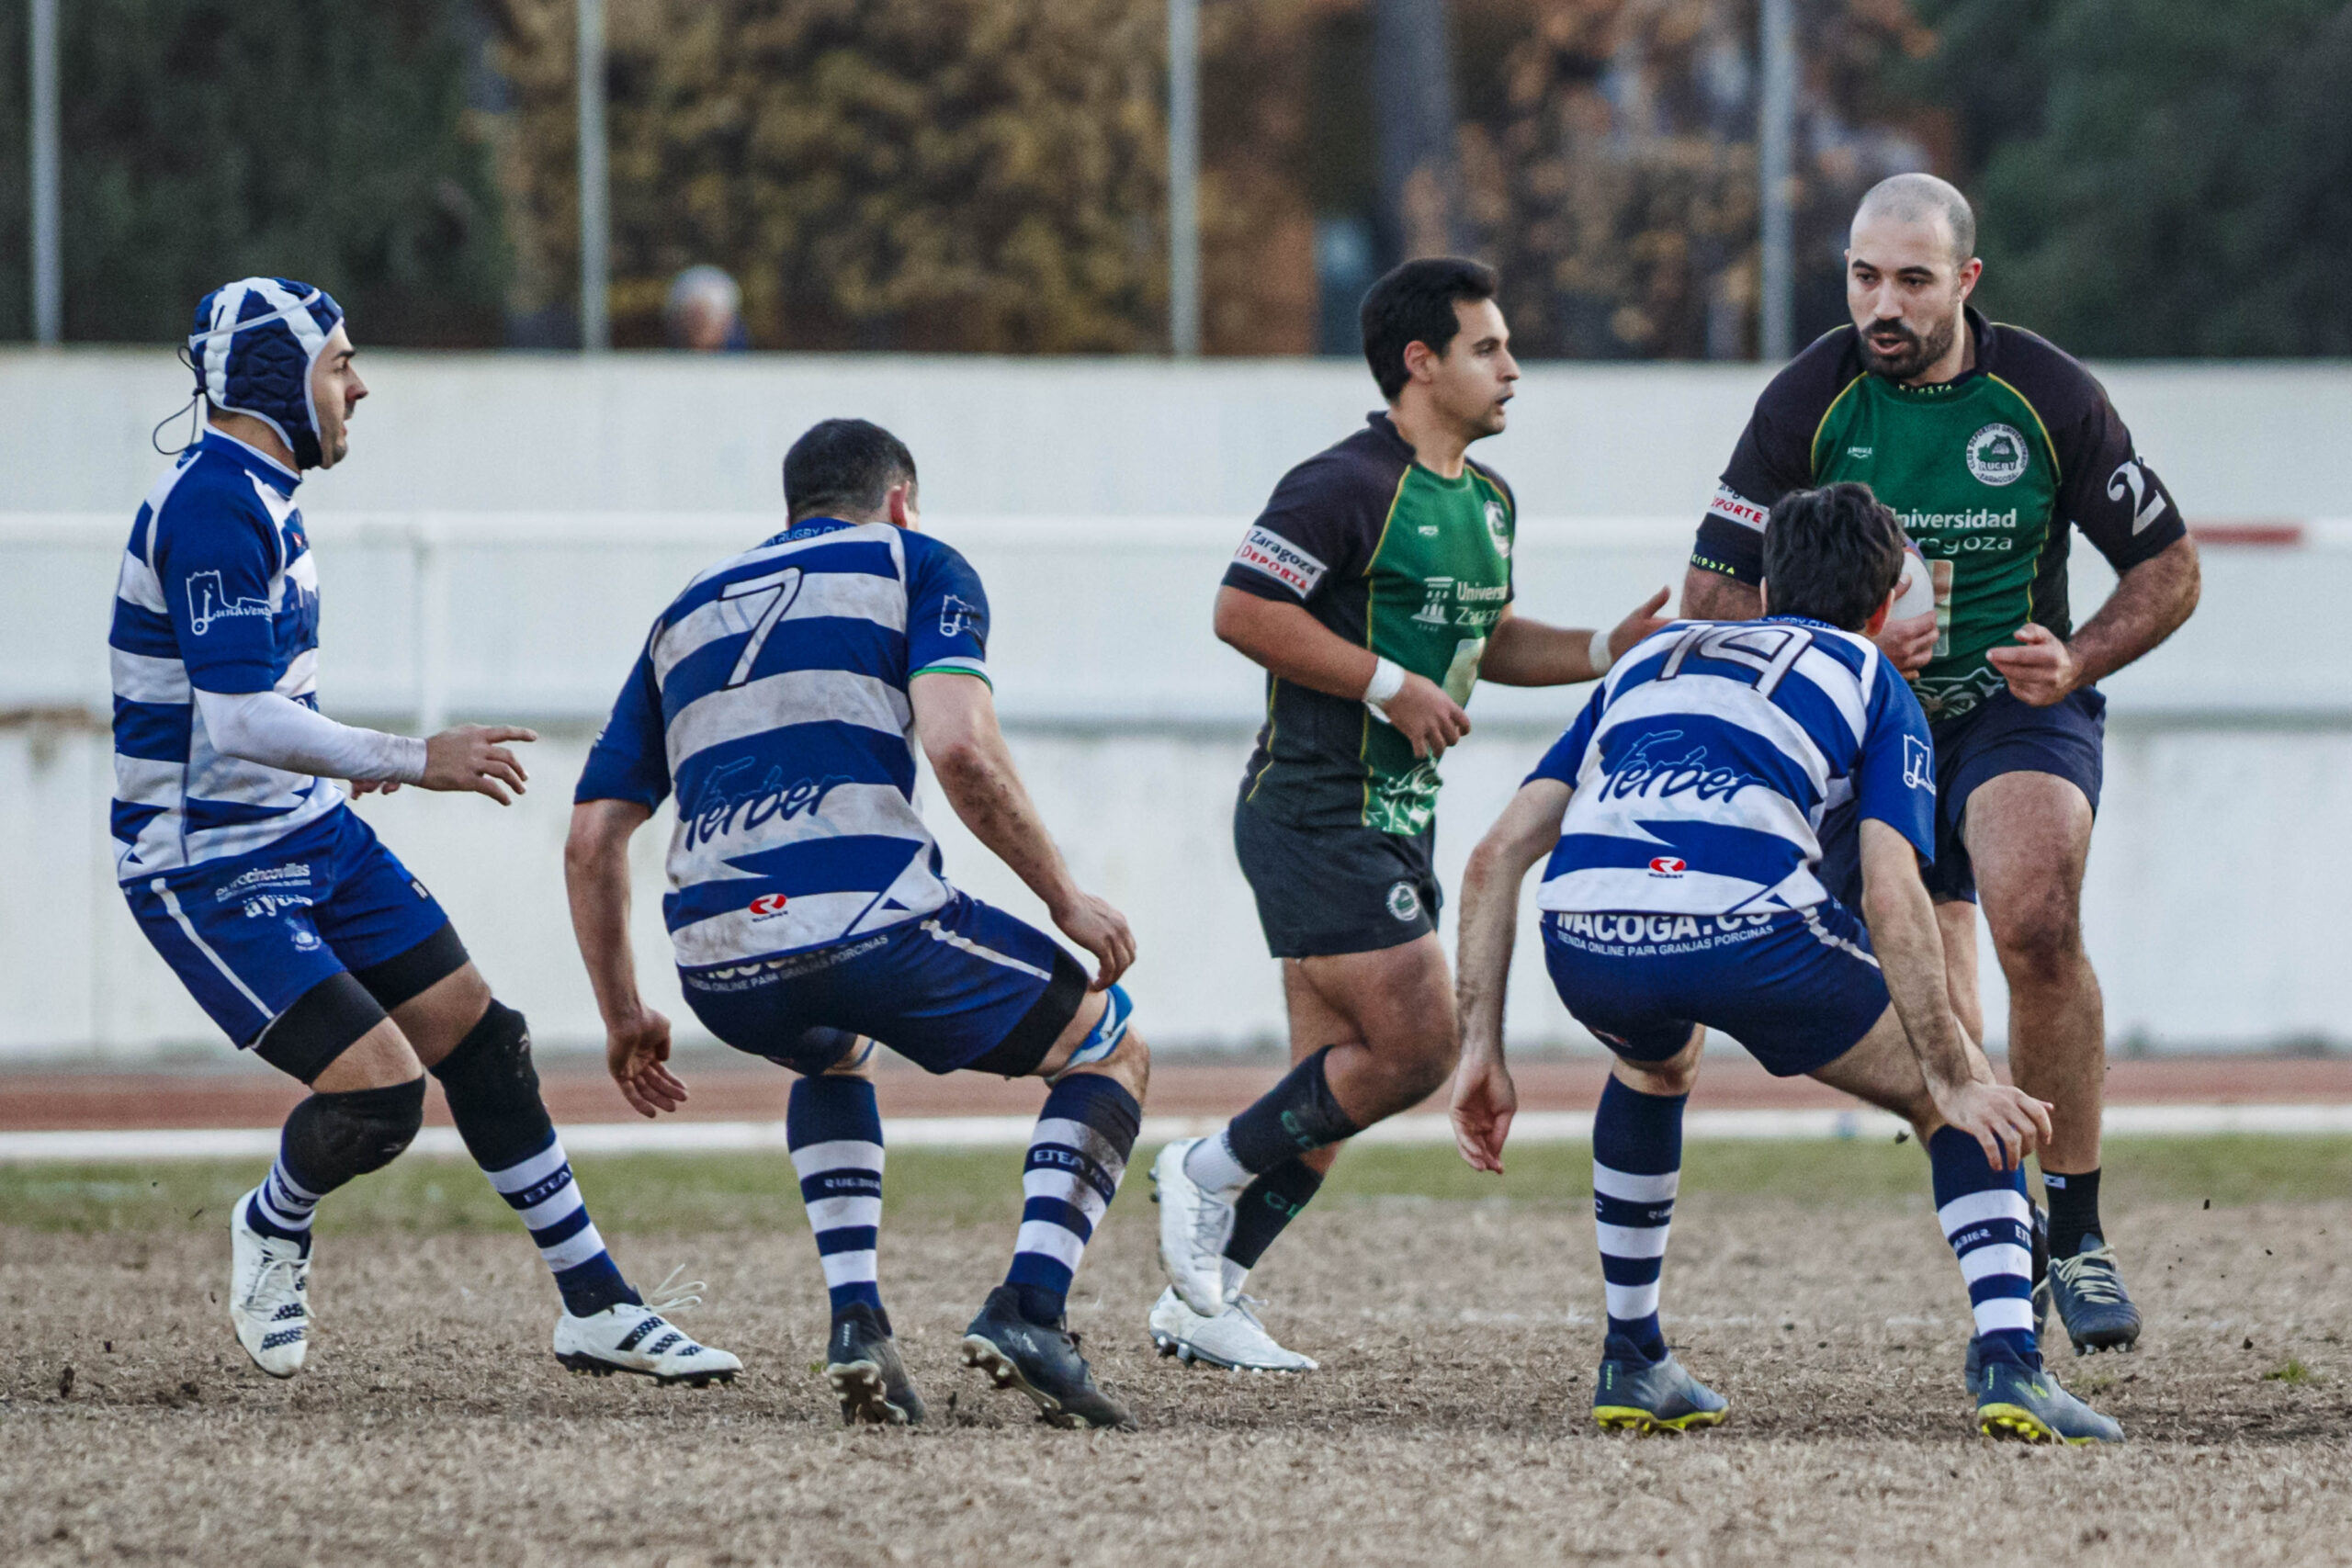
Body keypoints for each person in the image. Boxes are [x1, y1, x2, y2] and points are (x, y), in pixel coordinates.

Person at [110, 277, 737, 1386]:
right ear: (275, 379)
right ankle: (272, 1219)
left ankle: (598, 1304)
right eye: (340, 361)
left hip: (307, 836)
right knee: (381, 1095)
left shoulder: (264, 494)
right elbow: (242, 717)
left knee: (486, 1042)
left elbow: (269, 711)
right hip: (206, 866)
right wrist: (412, 758)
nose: (360, 384)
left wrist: (341, 775)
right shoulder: (214, 502)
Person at [1453, 482, 2122, 1443]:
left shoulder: (1651, 661)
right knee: (1954, 1098)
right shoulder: (1870, 676)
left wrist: (1480, 1045)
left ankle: (1631, 1357)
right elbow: (1892, 888)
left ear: (1763, 586)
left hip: (1587, 935)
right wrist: (1951, 1068)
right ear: (1888, 603)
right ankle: (2011, 1365)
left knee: (1652, 1060)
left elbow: (1494, 856)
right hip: (1744, 931)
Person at [1679, 174, 2199, 1353]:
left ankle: (2078, 1233)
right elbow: (1708, 596)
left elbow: (2170, 569)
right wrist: (1838, 642)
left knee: (2036, 917)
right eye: (1864, 276)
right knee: (1941, 1014)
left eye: (1912, 281)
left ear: (1965, 282)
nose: (1883, 304)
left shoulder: (2048, 396)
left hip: (2016, 709)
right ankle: (2001, 1228)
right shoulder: (1804, 401)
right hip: (1867, 723)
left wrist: (2073, 661)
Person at [565, 418, 1149, 1430]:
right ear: (897, 500)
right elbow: (961, 750)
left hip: (718, 962)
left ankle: (857, 1322)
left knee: (833, 1058)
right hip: (873, 928)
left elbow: (589, 840)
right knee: (1110, 1047)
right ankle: (1032, 1308)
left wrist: (623, 1016)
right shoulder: (914, 561)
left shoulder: (684, 615)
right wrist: (1063, 898)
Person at [1148, 257, 1670, 1371]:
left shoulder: (1487, 500)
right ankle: (1199, 1169)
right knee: (1421, 1046)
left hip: (1397, 814)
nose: (1512, 369)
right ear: (1419, 364)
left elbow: (1489, 637)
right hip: (1313, 806)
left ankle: (1209, 1299)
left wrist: (1599, 653)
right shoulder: (1340, 484)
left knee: (1325, 1098)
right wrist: (1387, 683)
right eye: (1488, 349)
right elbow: (1241, 610)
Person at [665, 265, 749, 352]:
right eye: (693, 315)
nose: (700, 322)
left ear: (730, 320)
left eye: (712, 314)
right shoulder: (658, 363)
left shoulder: (752, 364)